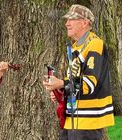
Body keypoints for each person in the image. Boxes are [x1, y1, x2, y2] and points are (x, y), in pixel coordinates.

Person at [43, 4, 114, 140]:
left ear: (84, 23)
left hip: (87, 120)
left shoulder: (95, 44)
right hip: (73, 119)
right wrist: (61, 91)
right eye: (67, 20)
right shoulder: (76, 46)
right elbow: (76, 82)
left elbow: (89, 84)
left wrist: (62, 83)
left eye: (71, 19)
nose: (67, 24)